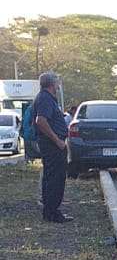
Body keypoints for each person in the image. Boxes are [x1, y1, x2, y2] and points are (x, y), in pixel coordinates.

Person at [32, 72, 71, 223]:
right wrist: (57, 140)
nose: (58, 84)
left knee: (55, 176)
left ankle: (52, 210)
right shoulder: (45, 98)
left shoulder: (47, 98)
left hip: (54, 144)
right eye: (57, 82)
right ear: (51, 84)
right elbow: (41, 121)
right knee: (54, 177)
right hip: (52, 145)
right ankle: (51, 212)